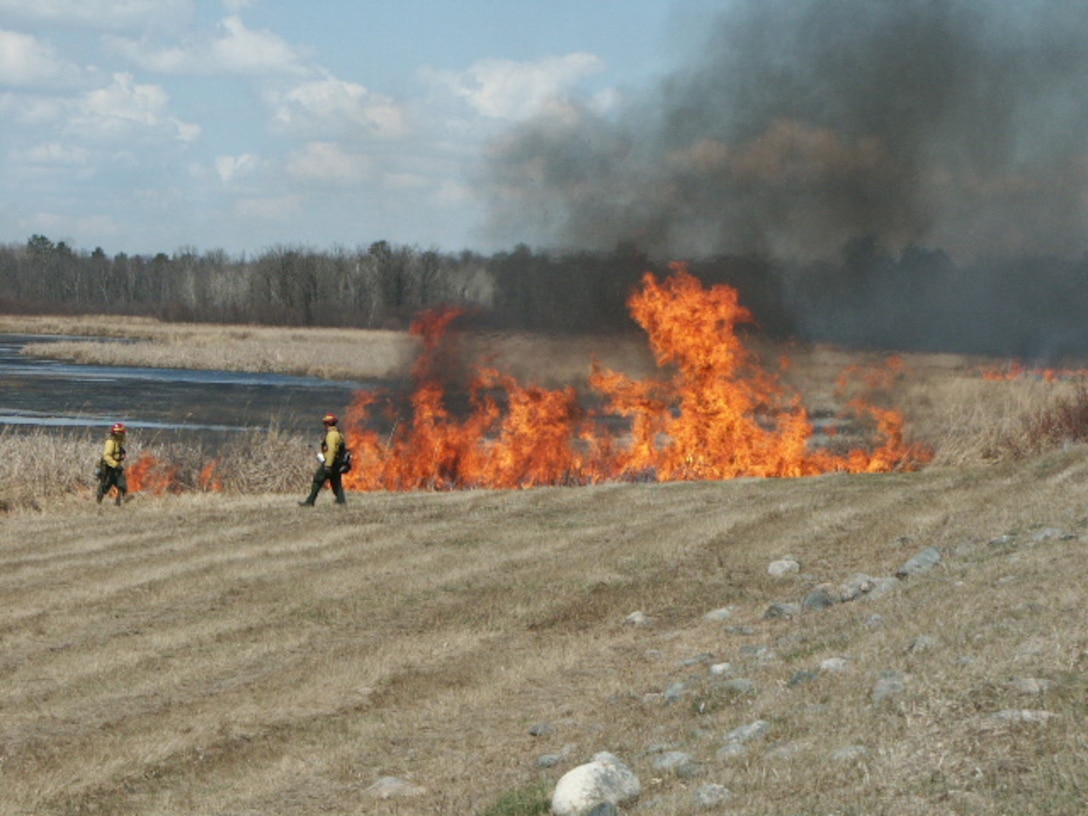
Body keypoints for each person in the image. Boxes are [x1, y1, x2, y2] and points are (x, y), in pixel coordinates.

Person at [299, 412, 347, 506]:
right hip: (337, 462)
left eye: (325, 424)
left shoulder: (331, 435)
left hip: (330, 462)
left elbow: (331, 450)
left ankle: (310, 501)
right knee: (336, 482)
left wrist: (328, 465)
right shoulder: (338, 434)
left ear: (327, 424)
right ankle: (341, 501)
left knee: (318, 480)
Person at [97, 422, 128, 506]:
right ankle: (98, 502)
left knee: (121, 484)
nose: (123, 435)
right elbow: (106, 456)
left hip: (116, 468)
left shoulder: (118, 443)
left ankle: (118, 502)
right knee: (105, 486)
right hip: (108, 468)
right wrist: (115, 465)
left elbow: (118, 453)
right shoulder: (110, 442)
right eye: (121, 434)